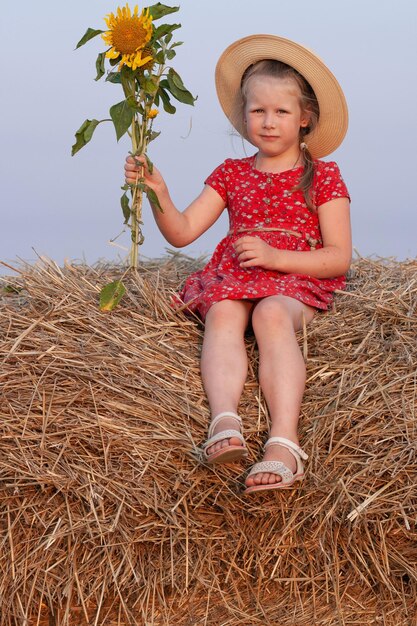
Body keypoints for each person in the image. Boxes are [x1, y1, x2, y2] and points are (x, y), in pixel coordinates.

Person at [125, 34, 352, 494]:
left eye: (281, 112)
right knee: (224, 313)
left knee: (270, 313)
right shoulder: (231, 172)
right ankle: (224, 422)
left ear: (305, 118)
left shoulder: (322, 176)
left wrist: (275, 257)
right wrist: (157, 192)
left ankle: (284, 441)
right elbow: (183, 231)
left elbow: (338, 256)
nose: (268, 123)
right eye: (257, 111)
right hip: (236, 277)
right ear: (243, 115)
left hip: (295, 279)